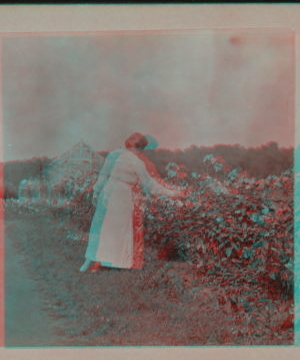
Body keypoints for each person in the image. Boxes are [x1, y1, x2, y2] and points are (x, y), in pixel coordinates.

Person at [80, 133, 189, 273]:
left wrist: (97, 191)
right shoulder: (137, 163)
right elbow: (152, 187)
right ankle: (114, 262)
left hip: (110, 193)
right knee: (120, 230)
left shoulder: (115, 155)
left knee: (106, 229)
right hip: (124, 197)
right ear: (142, 148)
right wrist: (177, 194)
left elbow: (103, 175)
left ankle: (96, 262)